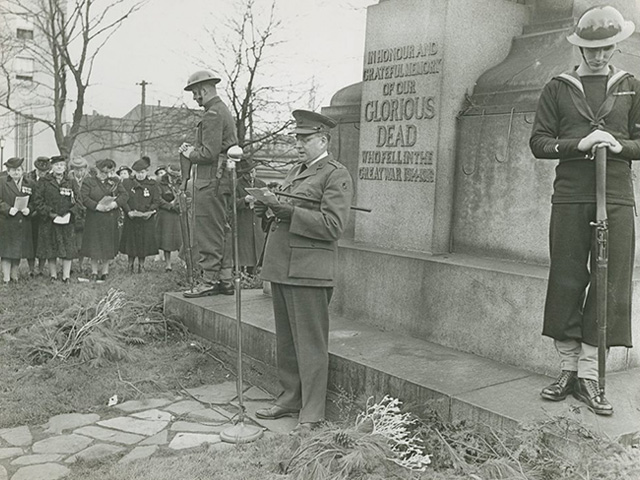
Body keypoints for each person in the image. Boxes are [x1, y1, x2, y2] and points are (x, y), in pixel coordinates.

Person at [529, 5, 640, 416]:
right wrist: (576, 144)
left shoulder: (631, 86)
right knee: (567, 277)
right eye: (591, 49)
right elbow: (539, 143)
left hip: (615, 195)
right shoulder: (558, 88)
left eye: (606, 48)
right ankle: (567, 369)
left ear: (616, 45)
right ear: (580, 47)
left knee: (610, 284)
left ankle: (591, 375)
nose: (598, 56)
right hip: (572, 194)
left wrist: (618, 145)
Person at [253, 110, 354, 432]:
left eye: (305, 139)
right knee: (287, 340)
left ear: (323, 140)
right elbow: (285, 210)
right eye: (296, 138)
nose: (298, 144)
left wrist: (287, 210)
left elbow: (333, 226)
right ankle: (290, 398)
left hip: (310, 270)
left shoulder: (335, 174)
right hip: (283, 265)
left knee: (310, 344)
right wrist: (266, 208)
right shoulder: (297, 170)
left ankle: (312, 412)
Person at [179, 69, 237, 297]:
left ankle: (209, 281)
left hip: (210, 180)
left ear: (203, 90)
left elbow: (208, 154)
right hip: (219, 180)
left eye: (195, 93)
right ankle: (224, 278)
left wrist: (190, 152)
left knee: (207, 231)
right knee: (221, 229)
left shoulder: (213, 114)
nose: (194, 98)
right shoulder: (222, 111)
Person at [34, 155, 82, 283]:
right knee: (51, 248)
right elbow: (38, 201)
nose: (59, 167)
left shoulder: (71, 182)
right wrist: (50, 214)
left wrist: (70, 214)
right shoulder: (44, 181)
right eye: (56, 165)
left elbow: (79, 201)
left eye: (61, 165)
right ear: (52, 167)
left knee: (68, 249)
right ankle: (53, 275)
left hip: (67, 221)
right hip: (49, 221)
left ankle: (66, 276)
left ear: (65, 167)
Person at [80, 159, 128, 282]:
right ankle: (94, 271)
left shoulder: (115, 182)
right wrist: (97, 206)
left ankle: (105, 271)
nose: (105, 175)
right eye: (102, 172)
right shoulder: (89, 181)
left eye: (108, 172)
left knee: (108, 244)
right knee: (94, 244)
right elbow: (84, 197)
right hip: (94, 217)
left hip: (109, 217)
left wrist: (114, 204)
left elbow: (124, 195)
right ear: (96, 170)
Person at [119, 158, 160, 273]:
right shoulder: (127, 183)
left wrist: (150, 211)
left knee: (144, 242)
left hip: (146, 219)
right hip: (131, 217)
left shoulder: (152, 184)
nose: (140, 175)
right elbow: (123, 199)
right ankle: (130, 265)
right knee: (131, 242)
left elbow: (156, 201)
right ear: (134, 173)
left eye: (142, 172)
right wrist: (128, 211)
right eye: (138, 173)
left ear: (147, 172)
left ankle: (141, 266)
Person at [0, 157, 34, 284]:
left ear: (23, 171)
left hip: (23, 221)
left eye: (18, 170)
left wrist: (29, 209)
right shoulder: (1, 182)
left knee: (17, 251)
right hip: (7, 221)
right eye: (13, 170)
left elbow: (35, 201)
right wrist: (8, 209)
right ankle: (6, 278)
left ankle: (14, 276)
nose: (16, 172)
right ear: (8, 172)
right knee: (7, 251)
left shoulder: (29, 183)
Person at [234, 158, 266, 274]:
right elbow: (231, 203)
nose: (251, 175)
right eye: (248, 173)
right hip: (243, 222)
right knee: (244, 252)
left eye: (253, 171)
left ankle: (254, 273)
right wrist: (245, 200)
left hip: (257, 221)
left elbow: (266, 200)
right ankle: (242, 274)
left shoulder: (261, 183)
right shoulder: (237, 184)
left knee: (257, 249)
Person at [26, 156, 51, 276]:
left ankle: (40, 269)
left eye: (45, 171)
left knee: (43, 242)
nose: (42, 173)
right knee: (31, 242)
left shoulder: (49, 180)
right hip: (30, 215)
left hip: (44, 215)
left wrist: (42, 210)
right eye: (40, 170)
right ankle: (31, 269)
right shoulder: (28, 178)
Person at [156, 164, 182, 271]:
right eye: (172, 175)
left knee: (181, 238)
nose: (174, 178)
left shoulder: (181, 183)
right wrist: (170, 206)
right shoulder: (160, 184)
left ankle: (184, 262)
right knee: (167, 239)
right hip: (166, 214)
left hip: (178, 213)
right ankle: (168, 264)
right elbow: (158, 199)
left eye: (176, 176)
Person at [69, 157, 89, 275]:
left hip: (85, 213)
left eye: (82, 170)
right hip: (73, 212)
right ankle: (70, 266)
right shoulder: (68, 180)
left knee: (82, 240)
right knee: (72, 240)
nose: (79, 172)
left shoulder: (88, 180)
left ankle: (81, 265)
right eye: (77, 170)